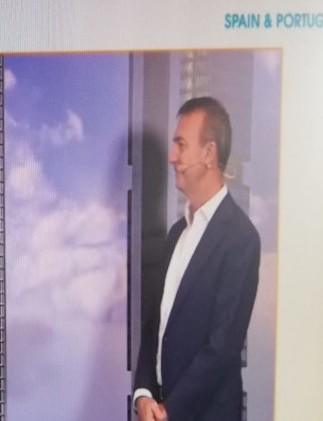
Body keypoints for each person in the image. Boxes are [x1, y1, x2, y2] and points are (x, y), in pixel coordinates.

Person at [133, 97, 260, 421]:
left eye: (181, 144)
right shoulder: (176, 234)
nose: (172, 156)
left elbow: (222, 347)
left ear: (208, 153)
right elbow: (155, 326)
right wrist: (144, 394)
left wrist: (169, 411)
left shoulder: (241, 239)